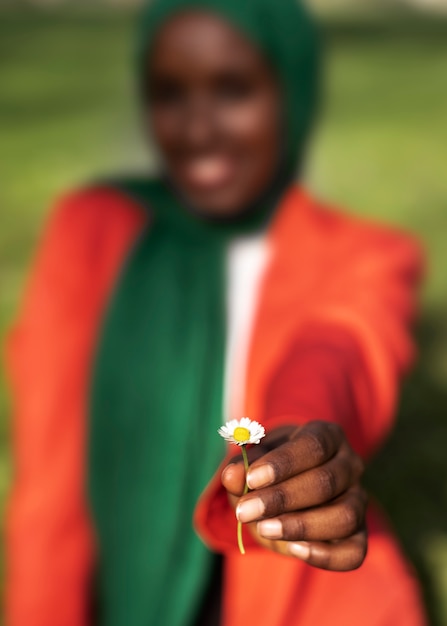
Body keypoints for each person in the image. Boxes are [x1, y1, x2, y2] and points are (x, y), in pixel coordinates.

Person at [5, 1, 428, 625]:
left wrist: (296, 438)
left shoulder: (359, 254)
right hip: (118, 588)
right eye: (169, 93)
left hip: (282, 588)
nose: (197, 128)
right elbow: (49, 474)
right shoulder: (93, 231)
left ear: (292, 89)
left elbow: (341, 346)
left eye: (233, 90)